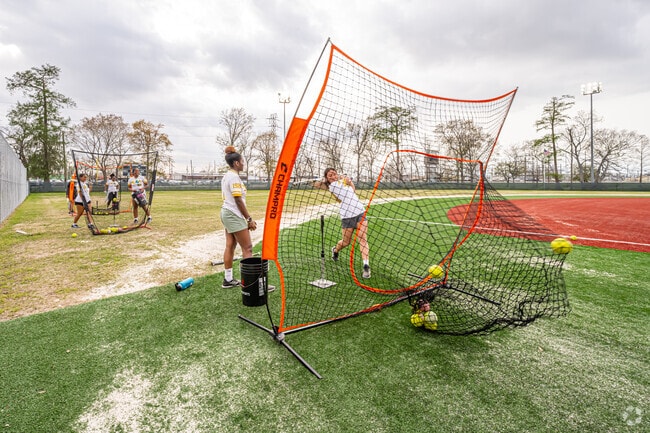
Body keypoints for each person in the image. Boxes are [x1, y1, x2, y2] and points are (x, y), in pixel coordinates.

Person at [314, 168, 371, 278]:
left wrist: (349, 182)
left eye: (334, 174)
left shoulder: (343, 181)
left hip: (360, 212)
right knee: (346, 242)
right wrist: (323, 180)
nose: (333, 176)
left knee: (362, 238)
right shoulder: (330, 186)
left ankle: (366, 266)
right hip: (347, 217)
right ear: (327, 178)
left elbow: (353, 190)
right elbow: (316, 185)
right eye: (330, 175)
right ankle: (335, 250)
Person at [220, 146, 256, 288]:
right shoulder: (234, 177)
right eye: (242, 161)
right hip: (233, 214)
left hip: (227, 212)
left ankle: (228, 280)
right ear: (236, 163)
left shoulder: (227, 175)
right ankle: (251, 284)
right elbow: (238, 200)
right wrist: (249, 219)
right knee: (247, 248)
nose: (243, 164)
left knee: (230, 245)